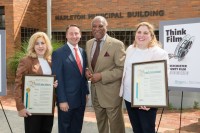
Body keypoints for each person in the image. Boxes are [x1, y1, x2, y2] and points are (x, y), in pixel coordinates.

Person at [119, 22, 169, 133]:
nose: (141, 35)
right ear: (135, 34)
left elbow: (162, 78)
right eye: (139, 32)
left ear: (151, 36)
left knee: (147, 129)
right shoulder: (130, 49)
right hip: (129, 98)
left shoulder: (159, 53)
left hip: (146, 101)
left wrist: (151, 102)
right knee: (136, 129)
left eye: (145, 33)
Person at [85, 16, 126, 133]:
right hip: (96, 93)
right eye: (94, 26)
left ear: (106, 27)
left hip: (111, 94)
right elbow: (91, 64)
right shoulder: (89, 43)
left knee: (116, 126)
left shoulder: (117, 44)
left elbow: (122, 69)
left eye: (100, 26)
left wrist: (102, 76)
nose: (97, 29)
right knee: (101, 124)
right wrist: (86, 70)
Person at [14, 31, 58, 133]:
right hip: (32, 108)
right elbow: (18, 85)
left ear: (47, 45)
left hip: (47, 107)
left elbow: (51, 81)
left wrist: (54, 85)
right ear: (33, 46)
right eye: (37, 43)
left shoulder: (50, 61)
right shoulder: (26, 61)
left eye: (42, 43)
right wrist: (20, 107)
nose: (40, 46)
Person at [52, 24, 89, 133]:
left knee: (77, 128)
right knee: (65, 129)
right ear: (66, 36)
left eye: (76, 33)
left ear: (80, 35)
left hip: (81, 99)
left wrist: (86, 92)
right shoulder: (58, 53)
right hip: (66, 101)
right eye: (71, 33)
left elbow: (82, 76)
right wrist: (62, 100)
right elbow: (58, 78)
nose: (74, 36)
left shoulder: (83, 52)